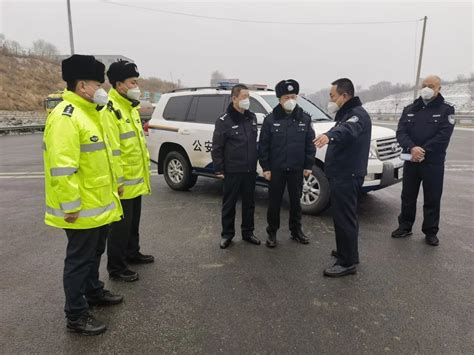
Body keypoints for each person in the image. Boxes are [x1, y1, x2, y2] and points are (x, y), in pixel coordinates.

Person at [43, 54, 123, 335]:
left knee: (94, 254)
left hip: (99, 204)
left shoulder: (92, 113)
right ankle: (76, 315)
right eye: (97, 84)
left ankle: (93, 292)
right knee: (79, 260)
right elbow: (62, 168)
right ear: (81, 86)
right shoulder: (66, 117)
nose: (102, 90)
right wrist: (71, 205)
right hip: (80, 208)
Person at [314, 78, 371, 277]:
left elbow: (347, 130)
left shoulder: (357, 115)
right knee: (341, 216)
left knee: (345, 218)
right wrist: (328, 133)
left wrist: (331, 136)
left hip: (348, 175)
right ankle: (346, 252)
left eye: (332, 96)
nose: (330, 100)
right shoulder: (346, 113)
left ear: (344, 96)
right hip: (341, 174)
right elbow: (340, 127)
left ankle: (347, 263)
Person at [104, 60, 154, 282]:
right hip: (122, 181)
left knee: (133, 222)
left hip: (136, 178)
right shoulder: (110, 110)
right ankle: (117, 267)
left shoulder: (130, 107)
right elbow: (113, 151)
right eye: (133, 82)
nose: (137, 86)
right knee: (119, 228)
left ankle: (132, 253)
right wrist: (118, 181)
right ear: (119, 84)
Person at [392, 75, 455, 246]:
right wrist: (412, 147)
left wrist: (423, 150)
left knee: (432, 198)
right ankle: (405, 226)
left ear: (438, 88)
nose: (427, 88)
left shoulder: (446, 110)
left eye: (431, 86)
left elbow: (443, 136)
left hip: (433, 163)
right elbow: (401, 132)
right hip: (411, 160)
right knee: (408, 196)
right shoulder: (410, 108)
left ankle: (430, 231)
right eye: (424, 85)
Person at [259, 79, 316, 248]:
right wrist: (266, 167)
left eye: (293, 96)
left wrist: (308, 165)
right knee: (274, 202)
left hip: (297, 169)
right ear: (279, 99)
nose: (290, 100)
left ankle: (296, 231)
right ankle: (272, 233)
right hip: (276, 169)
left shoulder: (304, 118)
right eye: (286, 97)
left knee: (296, 202)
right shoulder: (270, 120)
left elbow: (309, 144)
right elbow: (263, 146)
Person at [211, 84, 261, 249]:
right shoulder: (224, 120)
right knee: (229, 204)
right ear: (234, 99)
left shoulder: (251, 117)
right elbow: (217, 147)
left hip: (249, 170)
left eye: (248, 97)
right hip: (232, 170)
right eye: (244, 97)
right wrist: (219, 169)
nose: (247, 100)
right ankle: (227, 235)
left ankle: (248, 233)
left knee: (249, 204)